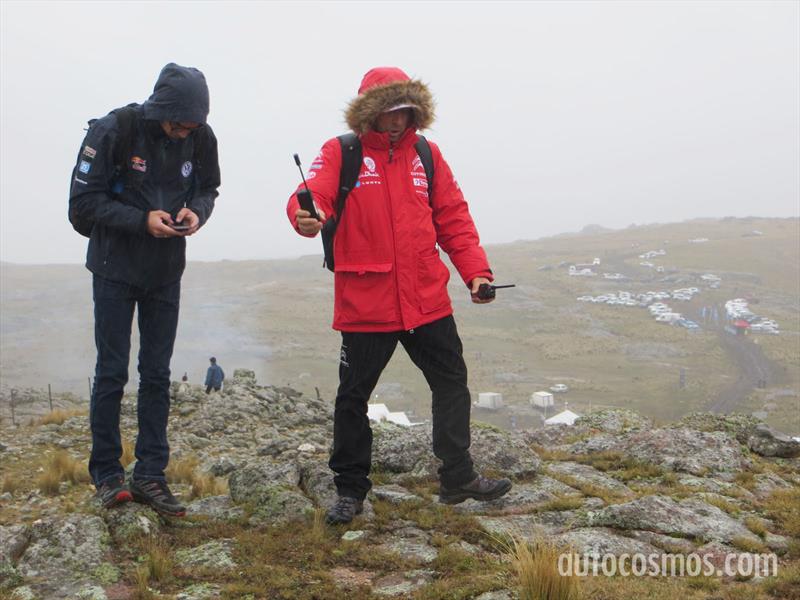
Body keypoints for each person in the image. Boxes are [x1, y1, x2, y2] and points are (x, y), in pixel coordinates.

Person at [286, 66, 512, 525]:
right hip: (366, 303)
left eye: (404, 111)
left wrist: (476, 274)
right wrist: (305, 215)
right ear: (369, 112)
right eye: (387, 111)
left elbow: (453, 217)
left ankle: (457, 477)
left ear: (414, 112)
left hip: (426, 298)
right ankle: (350, 490)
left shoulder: (426, 155)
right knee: (353, 398)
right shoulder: (342, 152)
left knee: (451, 383)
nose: (395, 121)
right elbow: (312, 195)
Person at [69, 63, 221, 517]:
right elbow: (83, 203)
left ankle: (151, 475)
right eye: (178, 124)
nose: (183, 132)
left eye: (191, 126)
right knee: (111, 372)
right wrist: (141, 221)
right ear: (161, 110)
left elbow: (209, 188)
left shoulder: (201, 137)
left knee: (156, 374)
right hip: (113, 268)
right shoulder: (114, 129)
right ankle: (107, 476)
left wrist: (196, 212)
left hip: (165, 272)